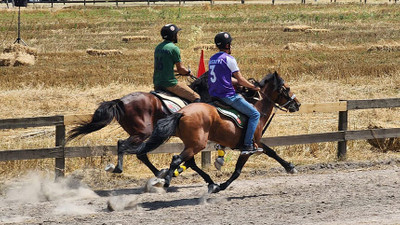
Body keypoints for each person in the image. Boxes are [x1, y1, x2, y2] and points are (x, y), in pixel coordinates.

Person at [208, 32, 261, 154]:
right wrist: (253, 87)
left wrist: (237, 82)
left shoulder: (212, 59)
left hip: (213, 95)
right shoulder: (229, 59)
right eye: (230, 44)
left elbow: (224, 78)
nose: (231, 46)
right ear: (227, 45)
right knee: (254, 114)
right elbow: (241, 79)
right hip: (228, 96)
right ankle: (248, 145)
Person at [153, 24, 201, 103]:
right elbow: (181, 69)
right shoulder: (173, 48)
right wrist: (188, 72)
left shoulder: (158, 47)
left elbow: (166, 67)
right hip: (170, 84)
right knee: (196, 97)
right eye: (176, 34)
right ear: (173, 36)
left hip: (157, 83)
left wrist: (177, 71)